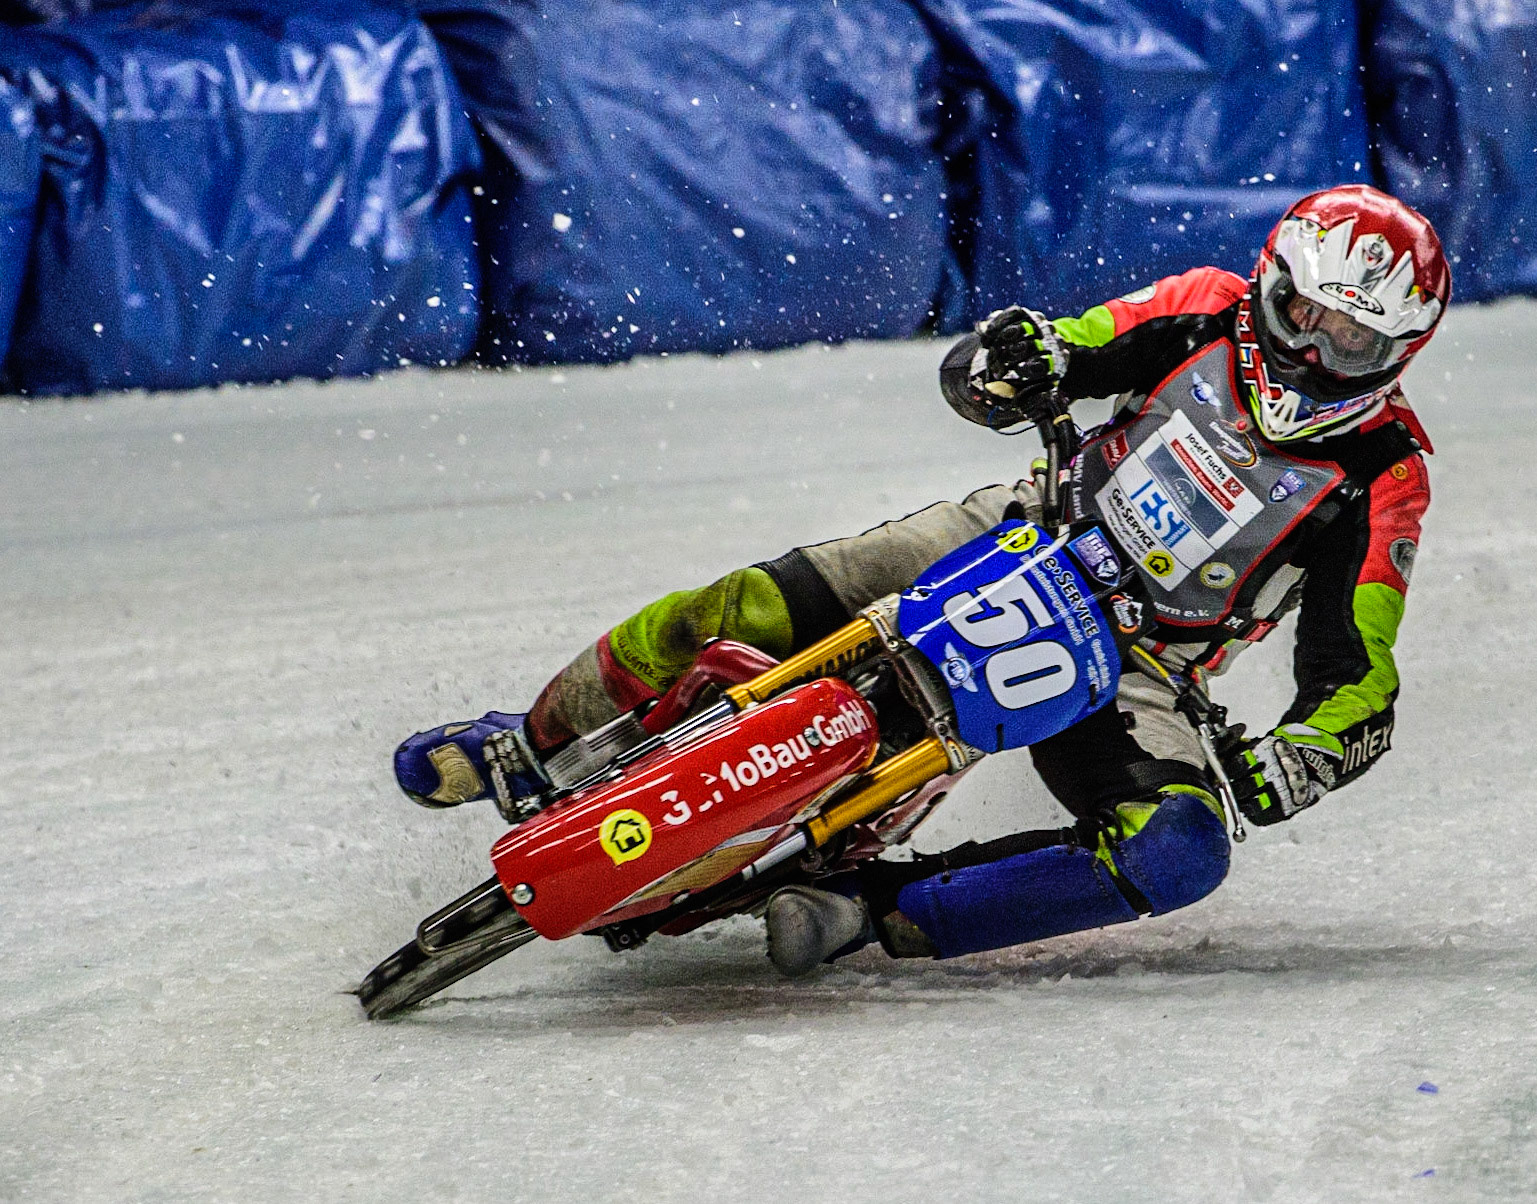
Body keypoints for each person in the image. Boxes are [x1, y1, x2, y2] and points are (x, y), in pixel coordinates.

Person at [392, 184, 1452, 975]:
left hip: (1139, 661)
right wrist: (1016, 358)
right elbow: (1074, 343)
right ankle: (527, 745)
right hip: (1018, 527)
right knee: (738, 608)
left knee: (1179, 849)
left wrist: (1305, 756)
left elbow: (1357, 670)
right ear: (1270, 284)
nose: (1315, 348)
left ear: (1399, 351)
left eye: (1353, 335)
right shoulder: (1205, 308)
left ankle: (875, 900)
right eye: (1305, 313)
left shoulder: (1383, 476)